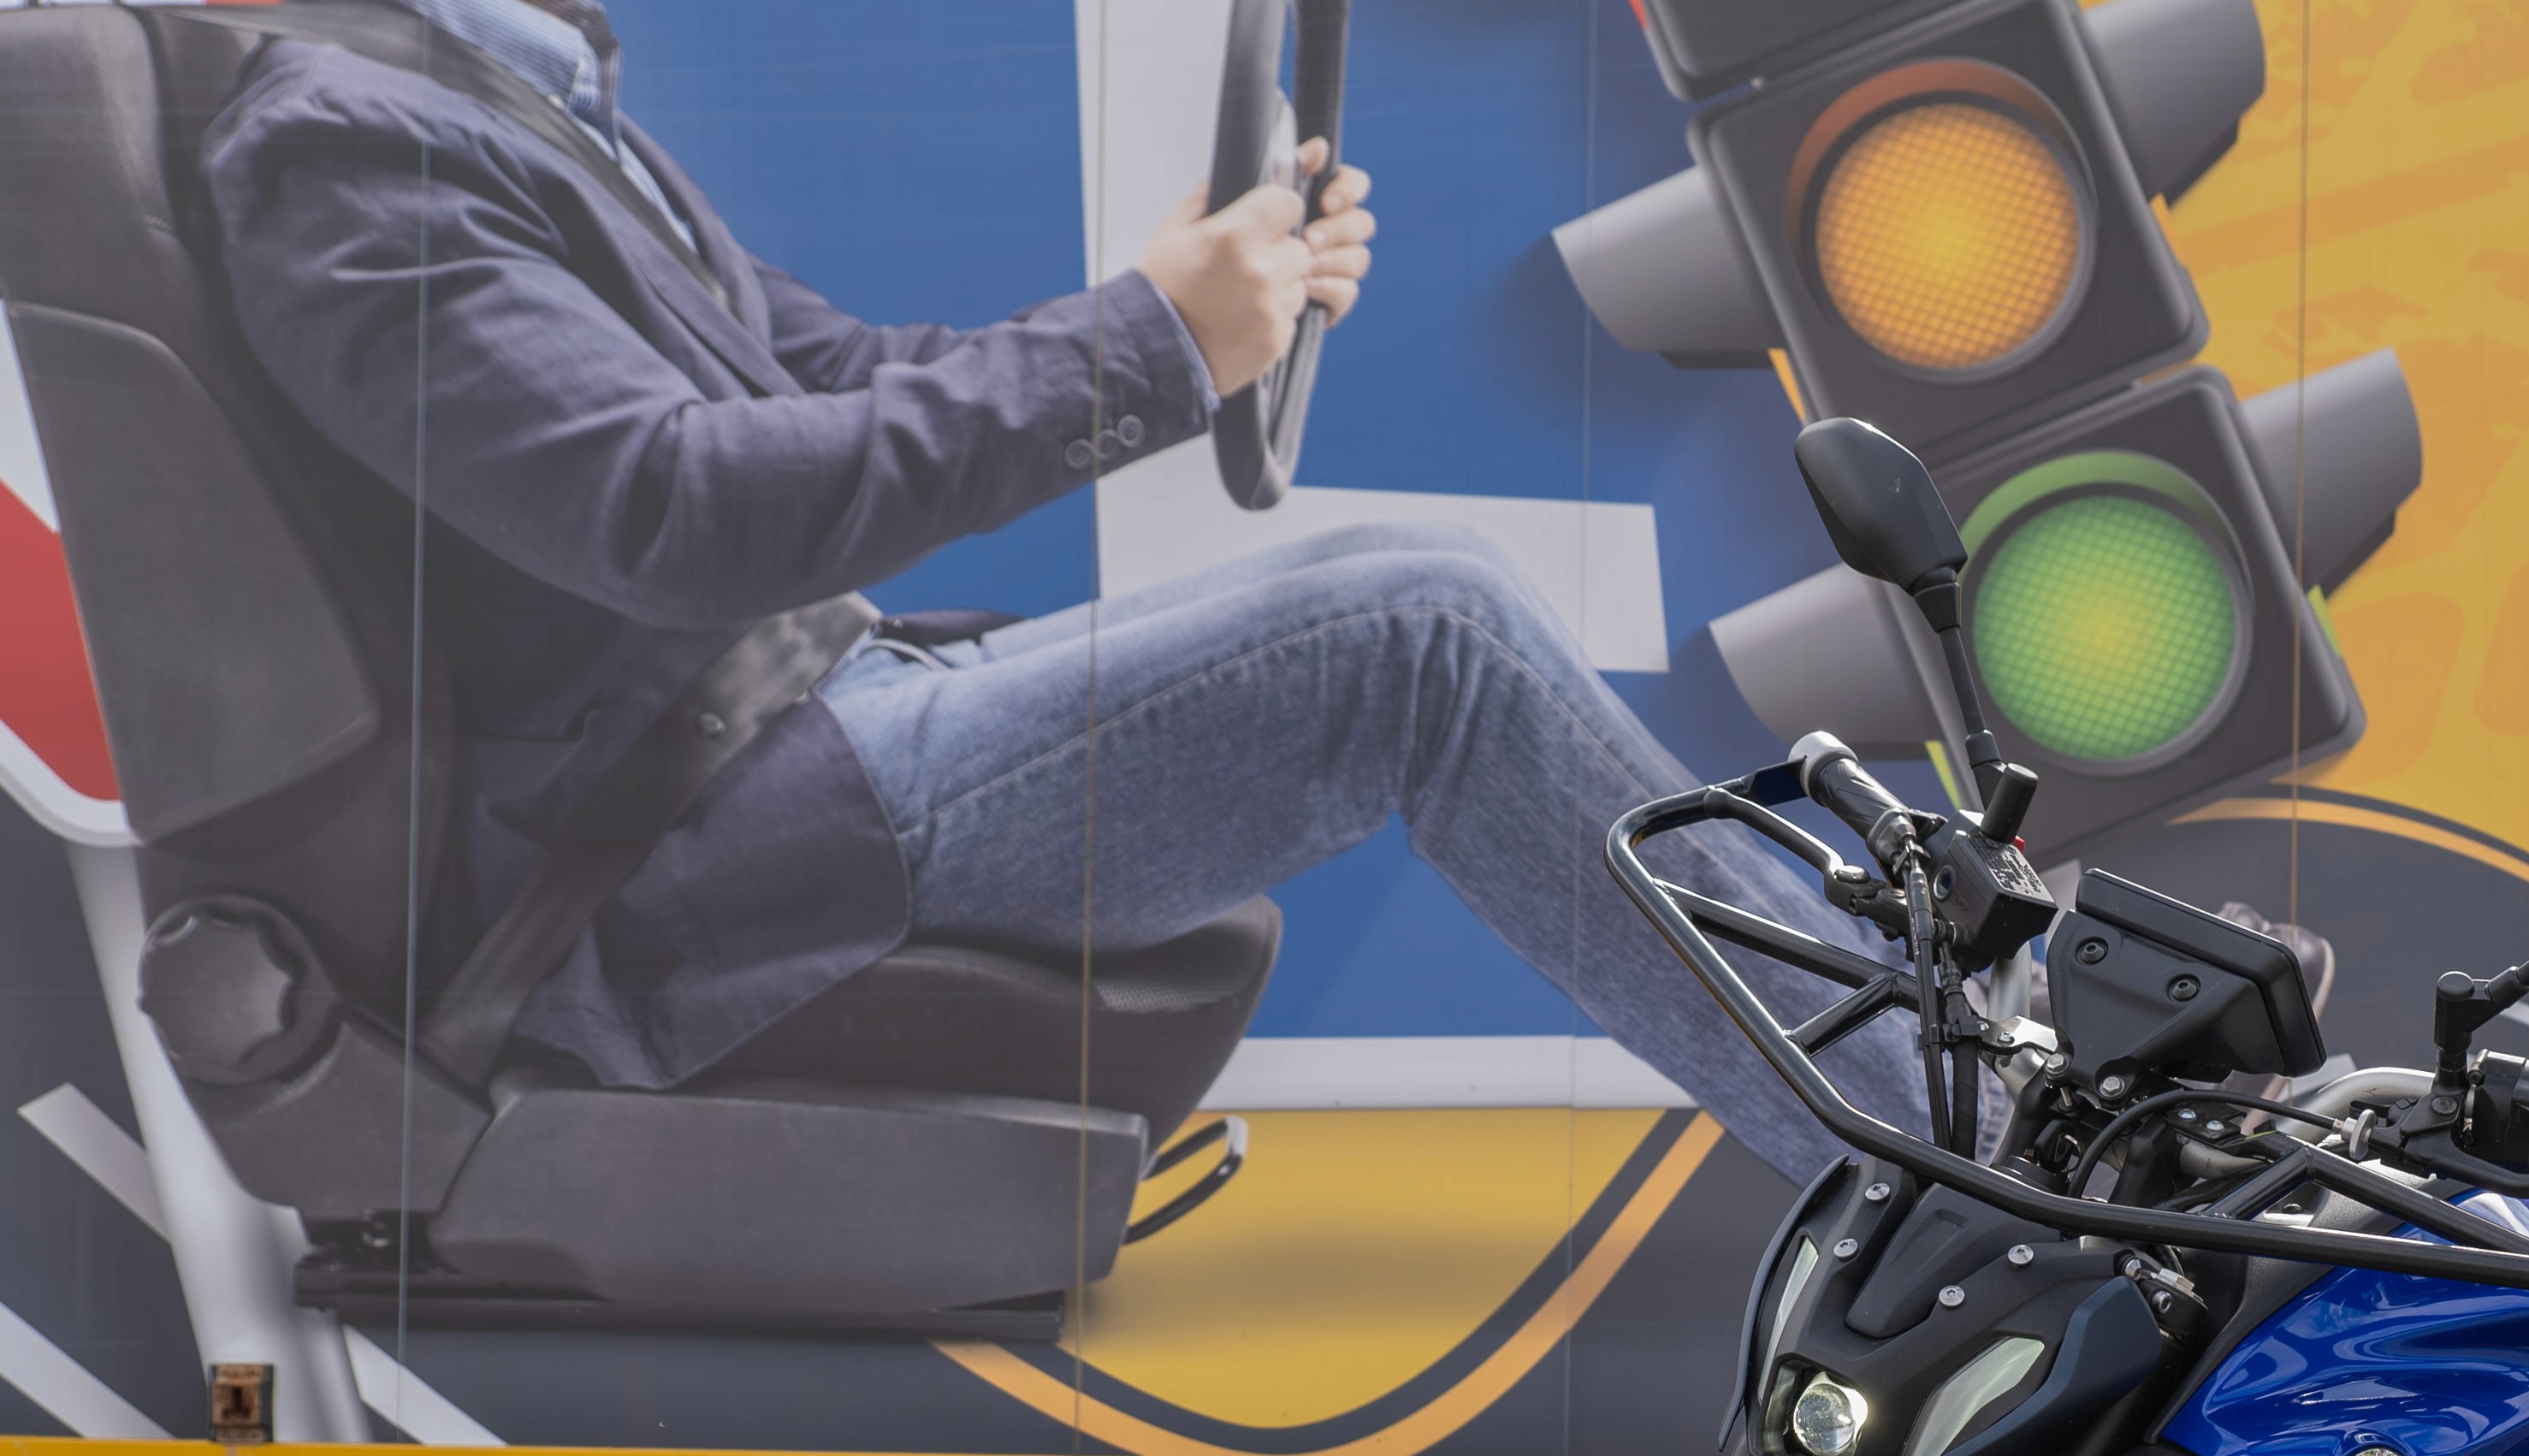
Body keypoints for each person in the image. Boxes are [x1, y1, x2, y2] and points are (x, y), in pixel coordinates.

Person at [193, 0, 1891, 1170]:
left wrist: (1183, 308)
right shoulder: (353, 154)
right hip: (666, 836)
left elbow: (836, 378)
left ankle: (1925, 1091)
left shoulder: (507, 105)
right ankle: (1935, 1166)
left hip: (781, 726)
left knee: (1416, 588)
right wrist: (1150, 344)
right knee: (1423, 635)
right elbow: (676, 510)